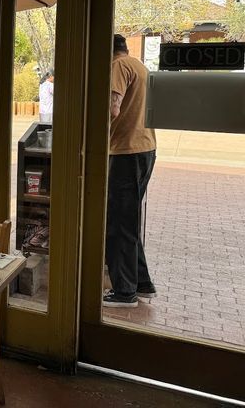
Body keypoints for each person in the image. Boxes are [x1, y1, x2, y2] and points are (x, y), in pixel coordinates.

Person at [104, 34, 157, 309]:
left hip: (125, 151)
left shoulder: (117, 66)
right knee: (129, 218)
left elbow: (112, 109)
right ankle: (142, 282)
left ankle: (124, 292)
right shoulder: (140, 66)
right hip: (146, 148)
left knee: (118, 222)